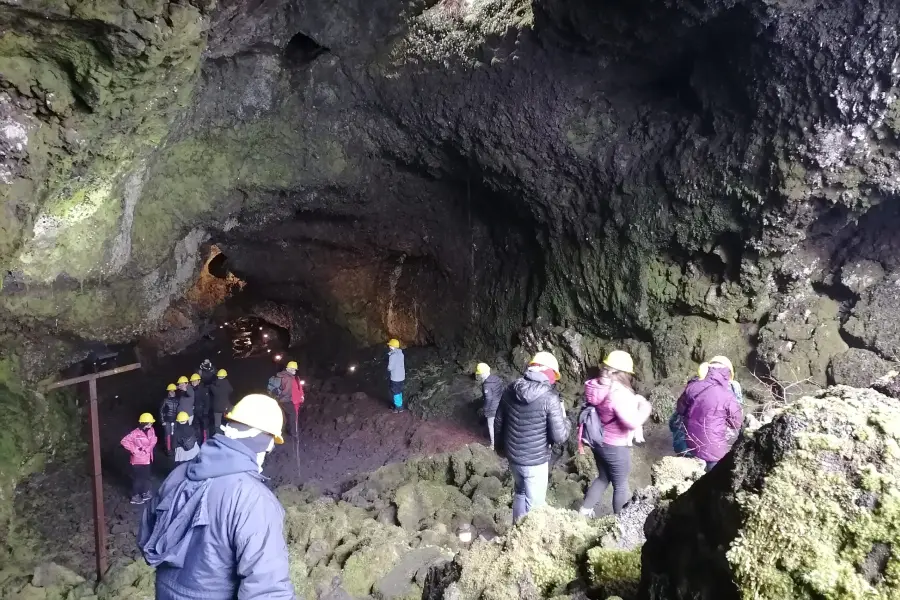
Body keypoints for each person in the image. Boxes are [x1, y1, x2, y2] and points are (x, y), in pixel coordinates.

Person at [138, 394, 295, 599]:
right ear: (264, 444)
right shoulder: (254, 500)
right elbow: (268, 590)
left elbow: (146, 539)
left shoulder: (178, 475)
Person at [493, 351, 571, 522]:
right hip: (535, 461)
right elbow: (559, 436)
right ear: (549, 374)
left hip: (513, 458)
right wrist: (567, 420)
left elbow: (498, 422)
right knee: (536, 505)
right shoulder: (550, 398)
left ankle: (516, 531)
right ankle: (526, 541)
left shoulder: (510, 389)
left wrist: (499, 449)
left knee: (520, 492)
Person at [578, 350, 652, 517]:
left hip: (599, 442)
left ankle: (584, 512)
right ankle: (621, 522)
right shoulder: (617, 393)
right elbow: (632, 421)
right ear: (622, 373)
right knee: (621, 485)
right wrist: (645, 407)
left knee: (603, 478)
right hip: (615, 446)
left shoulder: (596, 385)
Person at [677, 355, 744, 472]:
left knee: (690, 480)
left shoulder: (692, 387)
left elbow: (680, 409)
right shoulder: (728, 396)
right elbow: (736, 423)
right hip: (715, 450)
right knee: (713, 482)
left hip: (690, 444)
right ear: (727, 374)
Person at [121, 413, 158, 505]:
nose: (151, 425)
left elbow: (154, 439)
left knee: (146, 477)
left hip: (148, 458)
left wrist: (148, 448)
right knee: (138, 479)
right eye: (149, 423)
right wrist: (135, 450)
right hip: (138, 460)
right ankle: (135, 496)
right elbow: (124, 441)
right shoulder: (135, 433)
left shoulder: (151, 430)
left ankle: (145, 492)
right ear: (144, 423)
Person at [475, 362, 505, 449]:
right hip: (501, 404)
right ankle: (500, 440)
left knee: (490, 425)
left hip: (492, 408)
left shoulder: (486, 385)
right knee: (500, 423)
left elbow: (488, 399)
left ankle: (492, 445)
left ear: (482, 374)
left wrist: (485, 409)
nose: (479, 376)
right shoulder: (496, 378)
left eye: (479, 374)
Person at [270, 360, 304, 437]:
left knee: (282, 416)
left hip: (279, 400)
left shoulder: (281, 375)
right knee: (293, 415)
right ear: (290, 369)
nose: (295, 371)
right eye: (294, 369)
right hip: (286, 400)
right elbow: (287, 391)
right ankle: (293, 433)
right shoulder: (289, 378)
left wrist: (277, 397)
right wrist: (282, 397)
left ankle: (278, 432)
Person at [209, 368, 233, 437]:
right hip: (226, 407)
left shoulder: (214, 384)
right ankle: (228, 434)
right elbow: (231, 390)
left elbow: (215, 393)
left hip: (217, 408)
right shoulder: (227, 383)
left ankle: (219, 437)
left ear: (218, 376)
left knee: (217, 424)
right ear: (225, 376)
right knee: (228, 422)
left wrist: (211, 386)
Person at [190, 373, 211, 443]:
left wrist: (205, 412)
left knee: (204, 429)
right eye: (192, 381)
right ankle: (198, 442)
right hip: (195, 412)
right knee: (196, 428)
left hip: (202, 413)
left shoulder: (204, 390)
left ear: (199, 381)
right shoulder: (191, 390)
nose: (193, 382)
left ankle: (205, 444)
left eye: (195, 381)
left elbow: (207, 402)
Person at [387, 339, 406, 413]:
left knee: (395, 392)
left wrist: (388, 369)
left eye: (390, 345)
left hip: (395, 377)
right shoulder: (401, 354)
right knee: (399, 391)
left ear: (392, 346)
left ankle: (398, 408)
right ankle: (399, 405)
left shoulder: (393, 355)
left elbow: (390, 367)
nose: (389, 346)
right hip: (401, 376)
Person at [160, 383, 180, 454]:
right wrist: (162, 421)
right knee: (168, 435)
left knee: (174, 435)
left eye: (173, 391)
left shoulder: (177, 400)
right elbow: (161, 411)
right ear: (168, 392)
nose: (172, 392)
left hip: (175, 420)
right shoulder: (165, 400)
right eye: (170, 391)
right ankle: (168, 450)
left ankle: (174, 448)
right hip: (167, 420)